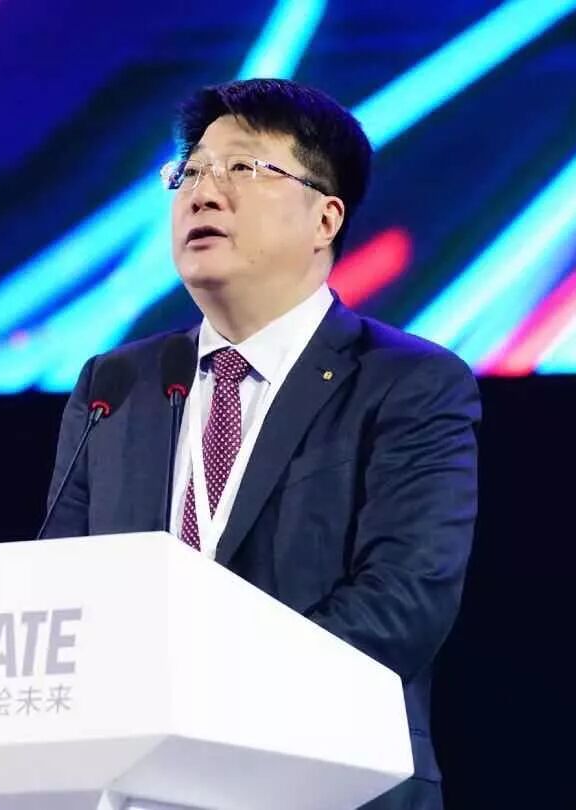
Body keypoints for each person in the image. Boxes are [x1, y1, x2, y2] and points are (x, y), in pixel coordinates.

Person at [42, 78, 480, 810]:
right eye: (189, 173)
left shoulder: (408, 384)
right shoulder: (115, 385)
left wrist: (206, 697)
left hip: (327, 782)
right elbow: (61, 597)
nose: (203, 194)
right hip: (135, 791)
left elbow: (406, 601)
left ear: (325, 218)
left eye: (242, 168)